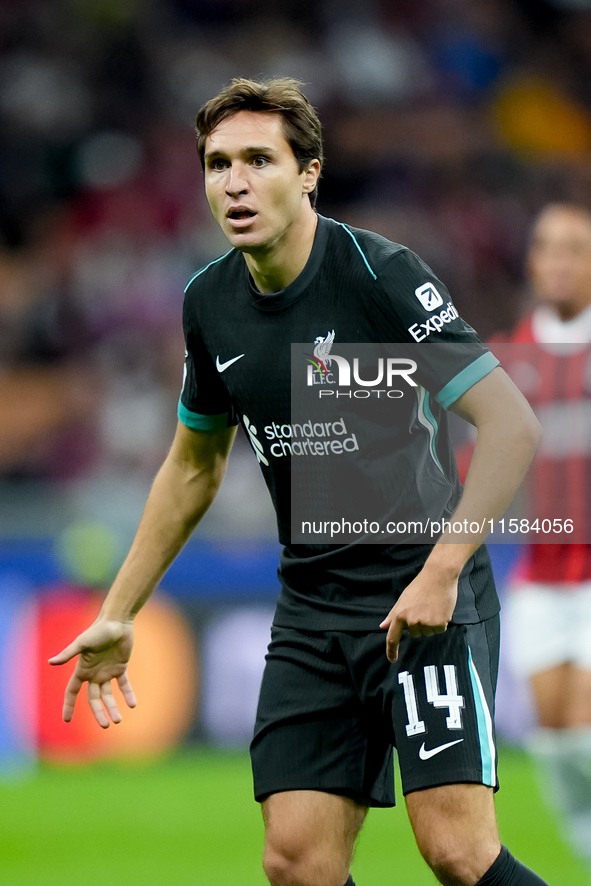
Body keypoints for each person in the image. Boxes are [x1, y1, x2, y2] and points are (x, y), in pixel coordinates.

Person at [49, 78, 548, 886]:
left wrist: (441, 573)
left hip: (419, 595)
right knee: (296, 863)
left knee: (455, 851)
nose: (234, 183)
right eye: (217, 165)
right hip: (314, 607)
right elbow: (193, 464)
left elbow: (510, 424)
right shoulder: (209, 303)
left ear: (308, 172)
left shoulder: (377, 274)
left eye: (257, 160)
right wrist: (118, 611)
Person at [502, 203, 591, 874]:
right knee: (556, 740)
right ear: (532, 262)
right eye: (547, 248)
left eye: (574, 248)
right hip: (540, 576)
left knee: (585, 735)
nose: (558, 260)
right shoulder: (513, 360)